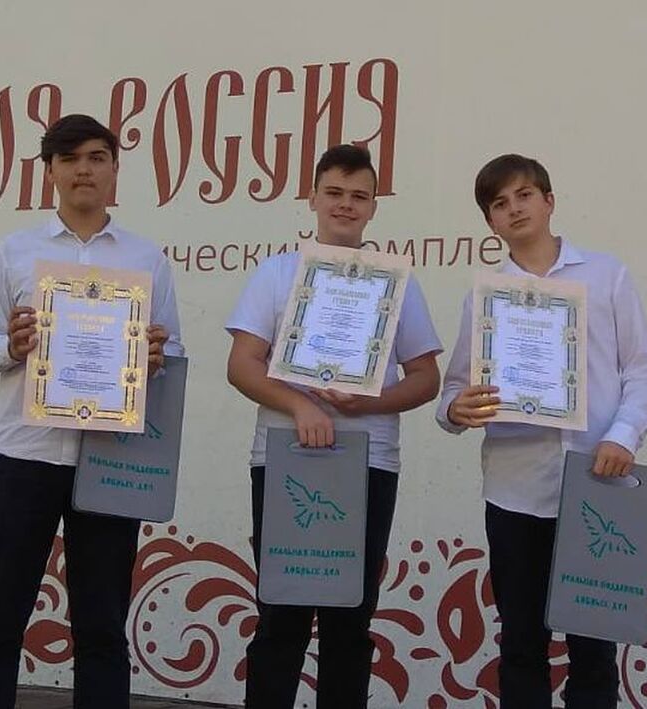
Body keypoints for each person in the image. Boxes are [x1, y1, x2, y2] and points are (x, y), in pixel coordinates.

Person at [0, 114, 183, 709]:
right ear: (50, 170)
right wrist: (12, 348)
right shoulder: (16, 251)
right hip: (23, 455)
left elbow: (173, 352)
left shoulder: (146, 258)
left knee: (103, 626)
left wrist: (156, 356)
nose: (85, 169)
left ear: (115, 170)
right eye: (70, 158)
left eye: (97, 157)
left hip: (111, 461)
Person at [437, 154, 647, 708]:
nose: (514, 209)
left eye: (524, 196)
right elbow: (454, 391)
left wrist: (623, 435)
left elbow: (642, 372)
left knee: (594, 648)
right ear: (490, 221)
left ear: (549, 201)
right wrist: (456, 411)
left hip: (596, 482)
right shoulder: (486, 296)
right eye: (500, 203)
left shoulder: (606, 275)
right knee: (520, 644)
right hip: (514, 490)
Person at [225, 144, 442, 708]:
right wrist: (301, 407)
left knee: (350, 619)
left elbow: (426, 377)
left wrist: (369, 404)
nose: (346, 205)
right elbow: (242, 364)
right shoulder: (277, 272)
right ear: (313, 198)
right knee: (281, 615)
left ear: (373, 207)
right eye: (335, 193)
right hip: (285, 456)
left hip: (369, 461)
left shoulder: (396, 282)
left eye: (359, 196)